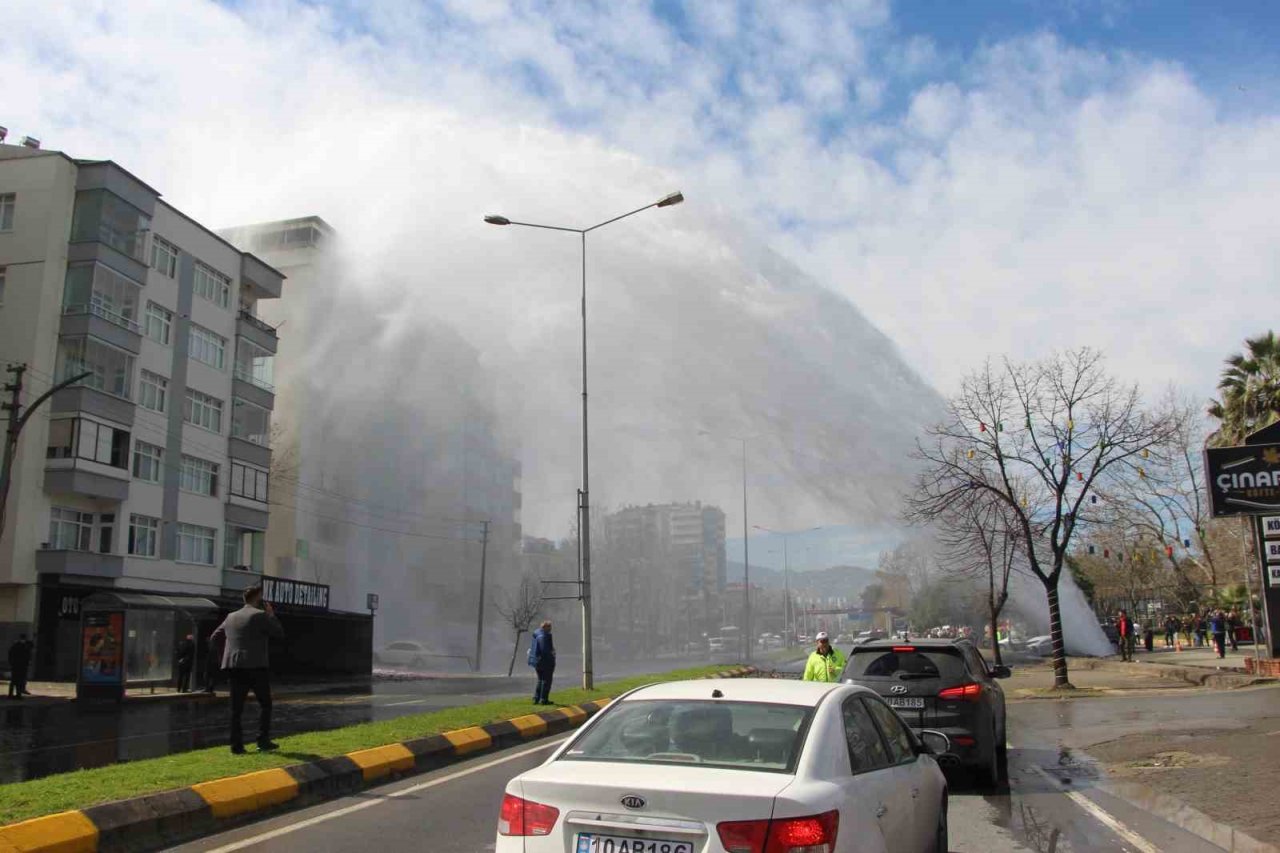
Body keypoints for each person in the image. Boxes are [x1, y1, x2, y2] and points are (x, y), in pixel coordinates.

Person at [210, 586, 284, 754]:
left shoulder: (230, 617)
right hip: (256, 666)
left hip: (235, 666)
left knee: (236, 709)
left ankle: (236, 746)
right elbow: (279, 633)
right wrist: (271, 615)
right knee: (265, 704)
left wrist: (226, 654)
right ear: (258, 598)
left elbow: (215, 637)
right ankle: (262, 740)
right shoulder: (260, 615)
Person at [528, 620, 556, 706]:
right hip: (545, 662)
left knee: (540, 680)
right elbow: (545, 650)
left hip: (537, 662)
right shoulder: (543, 636)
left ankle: (536, 698)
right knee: (546, 681)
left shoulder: (537, 633)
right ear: (545, 627)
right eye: (549, 627)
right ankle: (544, 699)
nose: (551, 629)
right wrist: (552, 657)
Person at [7, 634, 32, 699]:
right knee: (19, 681)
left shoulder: (15, 645)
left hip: (16, 665)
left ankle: (11, 694)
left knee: (14, 680)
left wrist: (11, 663)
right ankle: (18, 694)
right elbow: (27, 656)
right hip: (21, 666)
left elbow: (10, 655)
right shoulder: (24, 646)